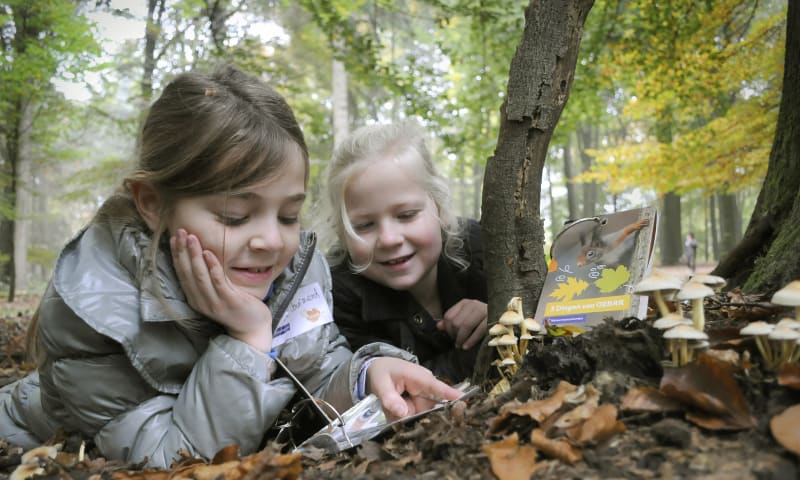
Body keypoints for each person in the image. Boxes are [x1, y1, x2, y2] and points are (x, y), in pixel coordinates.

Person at [0, 65, 460, 467]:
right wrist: (247, 339)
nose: (271, 241)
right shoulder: (95, 309)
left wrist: (366, 374)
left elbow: (317, 367)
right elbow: (170, 460)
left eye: (288, 215)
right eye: (234, 217)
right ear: (154, 205)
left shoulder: (294, 268)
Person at [315, 122, 488, 383]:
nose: (389, 239)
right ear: (341, 233)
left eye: (406, 215)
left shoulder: (480, 247)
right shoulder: (338, 298)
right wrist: (484, 348)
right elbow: (401, 387)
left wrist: (499, 313)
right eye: (363, 226)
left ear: (438, 207)